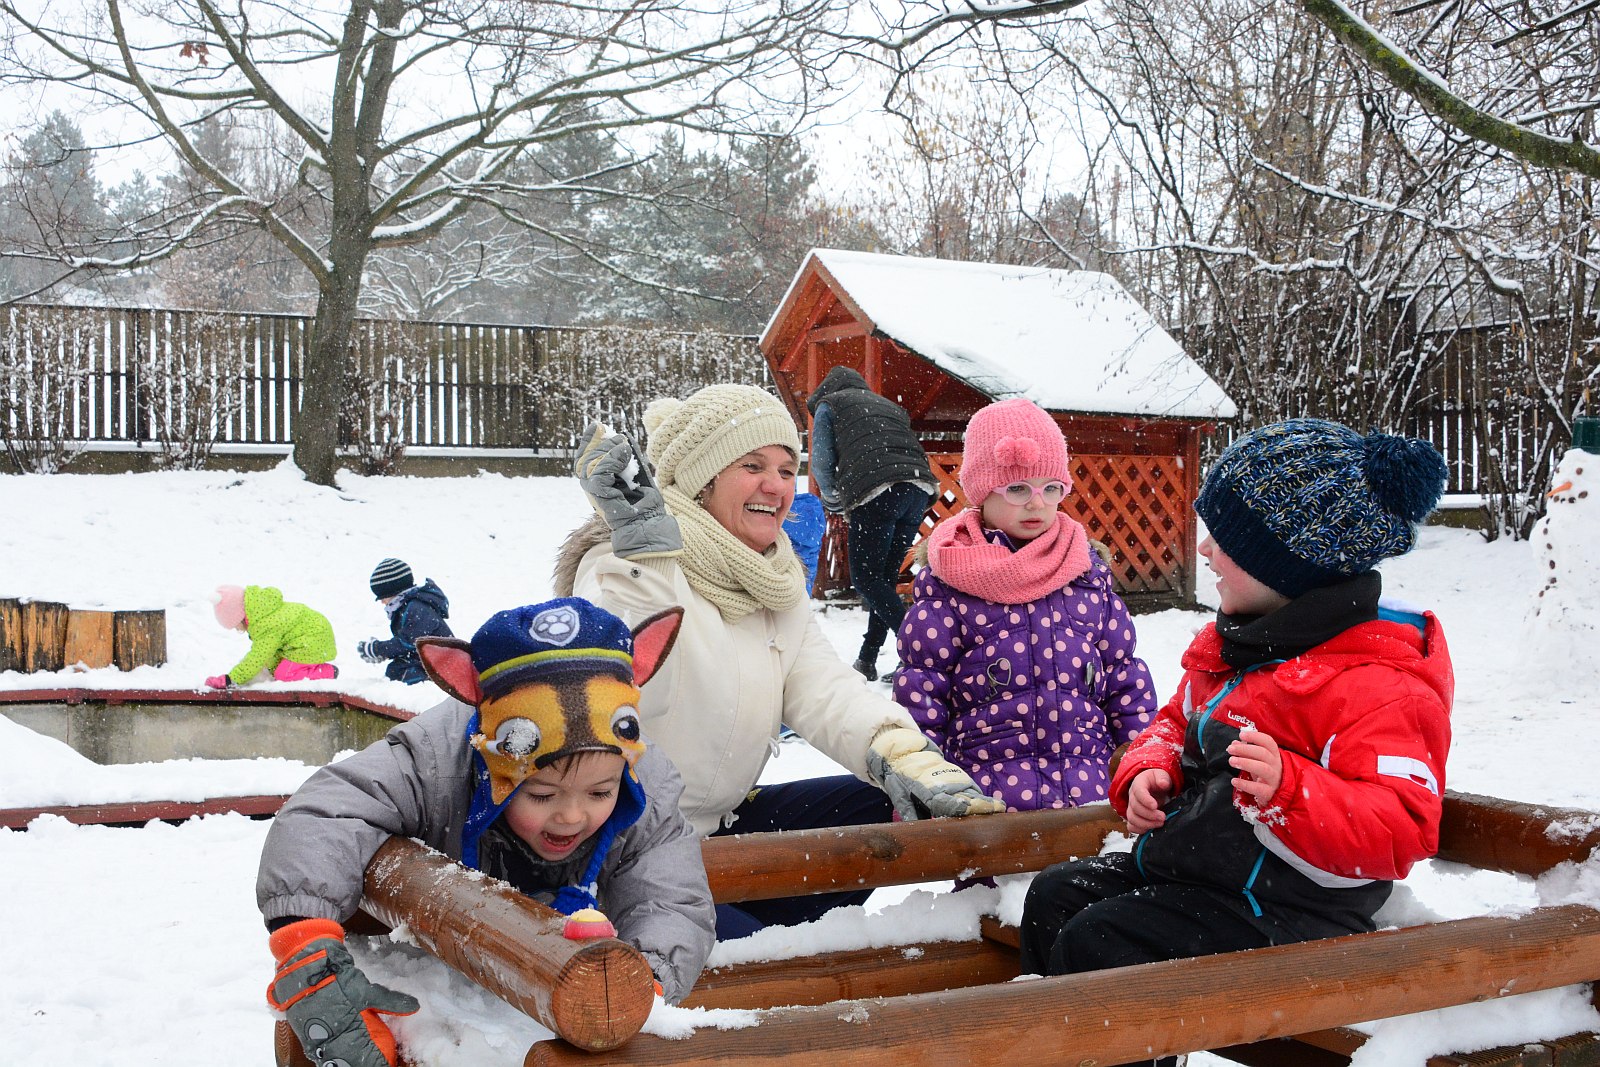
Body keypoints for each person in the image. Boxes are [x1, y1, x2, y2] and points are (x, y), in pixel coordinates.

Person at [1018, 419, 1453, 1067]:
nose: (1203, 550)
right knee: (1055, 895)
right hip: (1201, 873)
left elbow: (1404, 827)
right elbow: (1173, 723)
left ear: (1286, 565)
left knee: (1103, 940)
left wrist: (1291, 790)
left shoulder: (1379, 682)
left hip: (1291, 909)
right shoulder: (1239, 643)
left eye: (1224, 540)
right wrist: (1150, 768)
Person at [554, 382, 1002, 940]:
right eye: (753, 465)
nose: (776, 485)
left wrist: (898, 752)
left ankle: (769, 927)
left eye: (788, 469)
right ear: (702, 478)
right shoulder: (626, 562)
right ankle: (729, 939)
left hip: (717, 825)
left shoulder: (770, 578)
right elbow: (619, 690)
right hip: (623, 844)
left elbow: (822, 687)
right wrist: (645, 561)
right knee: (749, 956)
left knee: (875, 802)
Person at [257, 597, 714, 1067]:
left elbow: (670, 895)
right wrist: (308, 950)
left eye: (599, 793)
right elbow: (326, 814)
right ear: (494, 770)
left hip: (568, 982)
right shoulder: (435, 761)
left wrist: (638, 985)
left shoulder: (643, 782)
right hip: (440, 978)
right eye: (542, 795)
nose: (572, 816)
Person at [893, 398, 1157, 812]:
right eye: (1018, 488)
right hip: (984, 808)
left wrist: (1143, 766)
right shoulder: (951, 584)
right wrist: (924, 788)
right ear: (982, 492)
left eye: (1051, 488)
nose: (1037, 503)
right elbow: (922, 698)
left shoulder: (1085, 575)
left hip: (1090, 799)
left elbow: (1126, 684)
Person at [805, 366, 939, 681]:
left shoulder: (830, 404)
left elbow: (821, 462)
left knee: (866, 580)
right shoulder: (888, 405)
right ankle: (867, 658)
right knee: (883, 581)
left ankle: (921, 650)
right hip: (918, 489)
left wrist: (833, 500)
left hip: (878, 488)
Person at [205, 583, 337, 688]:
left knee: (284, 674)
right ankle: (304, 667)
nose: (237, 629)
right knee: (273, 665)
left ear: (239, 616)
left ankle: (328, 672)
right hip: (307, 637)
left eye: (235, 626)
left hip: (314, 639)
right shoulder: (261, 612)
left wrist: (232, 679)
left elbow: (258, 657)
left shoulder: (266, 624)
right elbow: (266, 656)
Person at [355, 557, 454, 684]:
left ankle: (424, 689)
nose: (382, 602)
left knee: (401, 672)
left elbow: (406, 642)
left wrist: (378, 649)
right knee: (396, 670)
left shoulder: (417, 609)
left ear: (393, 591)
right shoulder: (407, 607)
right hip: (430, 661)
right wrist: (384, 652)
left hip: (444, 666)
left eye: (383, 597)